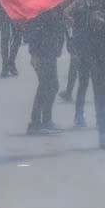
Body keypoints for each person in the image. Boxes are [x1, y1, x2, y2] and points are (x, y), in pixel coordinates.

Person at [24, 7, 65, 135]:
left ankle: (46, 120)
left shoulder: (53, 6)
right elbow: (32, 31)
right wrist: (34, 54)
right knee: (47, 85)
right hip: (42, 52)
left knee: (50, 85)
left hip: (49, 50)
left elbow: (55, 26)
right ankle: (36, 123)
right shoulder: (40, 8)